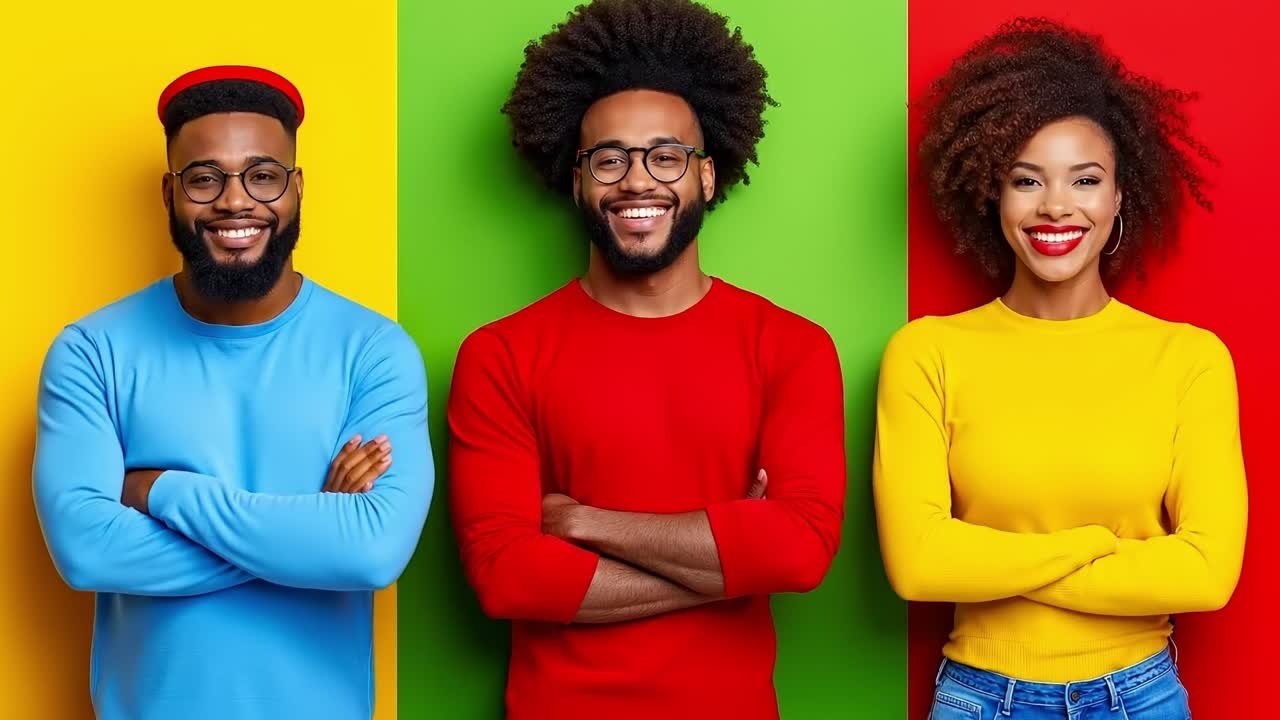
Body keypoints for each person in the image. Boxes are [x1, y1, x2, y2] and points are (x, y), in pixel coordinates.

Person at [447, 1, 847, 717]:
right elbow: (507, 577)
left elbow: (800, 551)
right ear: (577, 180)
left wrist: (585, 522)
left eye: (667, 157)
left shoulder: (793, 347)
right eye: (610, 159)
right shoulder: (499, 355)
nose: (637, 182)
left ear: (707, 177)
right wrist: (731, 560)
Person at [31, 65, 433, 720]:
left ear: (296, 187)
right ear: (170, 193)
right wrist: (312, 528)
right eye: (204, 178)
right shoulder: (92, 351)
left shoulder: (373, 351)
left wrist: (159, 492)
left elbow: (371, 551)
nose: (234, 201)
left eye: (262, 175)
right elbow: (86, 552)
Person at [874, 18, 1247, 719]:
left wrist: (988, 564)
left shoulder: (1189, 359)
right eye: (1026, 180)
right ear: (994, 192)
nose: (1055, 206)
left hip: (1139, 697)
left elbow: (1205, 574)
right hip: (981, 698)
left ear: (1118, 197)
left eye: (1085, 179)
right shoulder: (927, 353)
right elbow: (919, 565)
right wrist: (1098, 547)